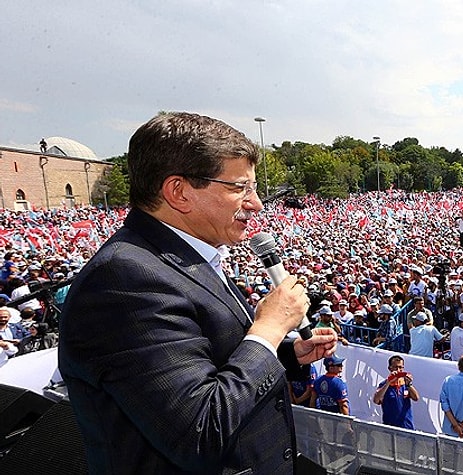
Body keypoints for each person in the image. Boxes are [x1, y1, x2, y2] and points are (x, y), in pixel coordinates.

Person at [58, 112, 337, 475]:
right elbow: (199, 431)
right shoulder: (123, 281)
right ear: (179, 192)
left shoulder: (186, 256)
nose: (256, 204)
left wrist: (285, 352)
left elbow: (208, 361)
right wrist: (268, 330)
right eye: (240, 187)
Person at [373, 355, 419, 429]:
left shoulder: (405, 383)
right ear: (389, 368)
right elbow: (376, 400)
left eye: (400, 367)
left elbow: (416, 398)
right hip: (390, 427)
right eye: (395, 367)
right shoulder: (384, 384)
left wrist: (409, 385)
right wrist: (388, 382)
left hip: (407, 426)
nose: (398, 370)